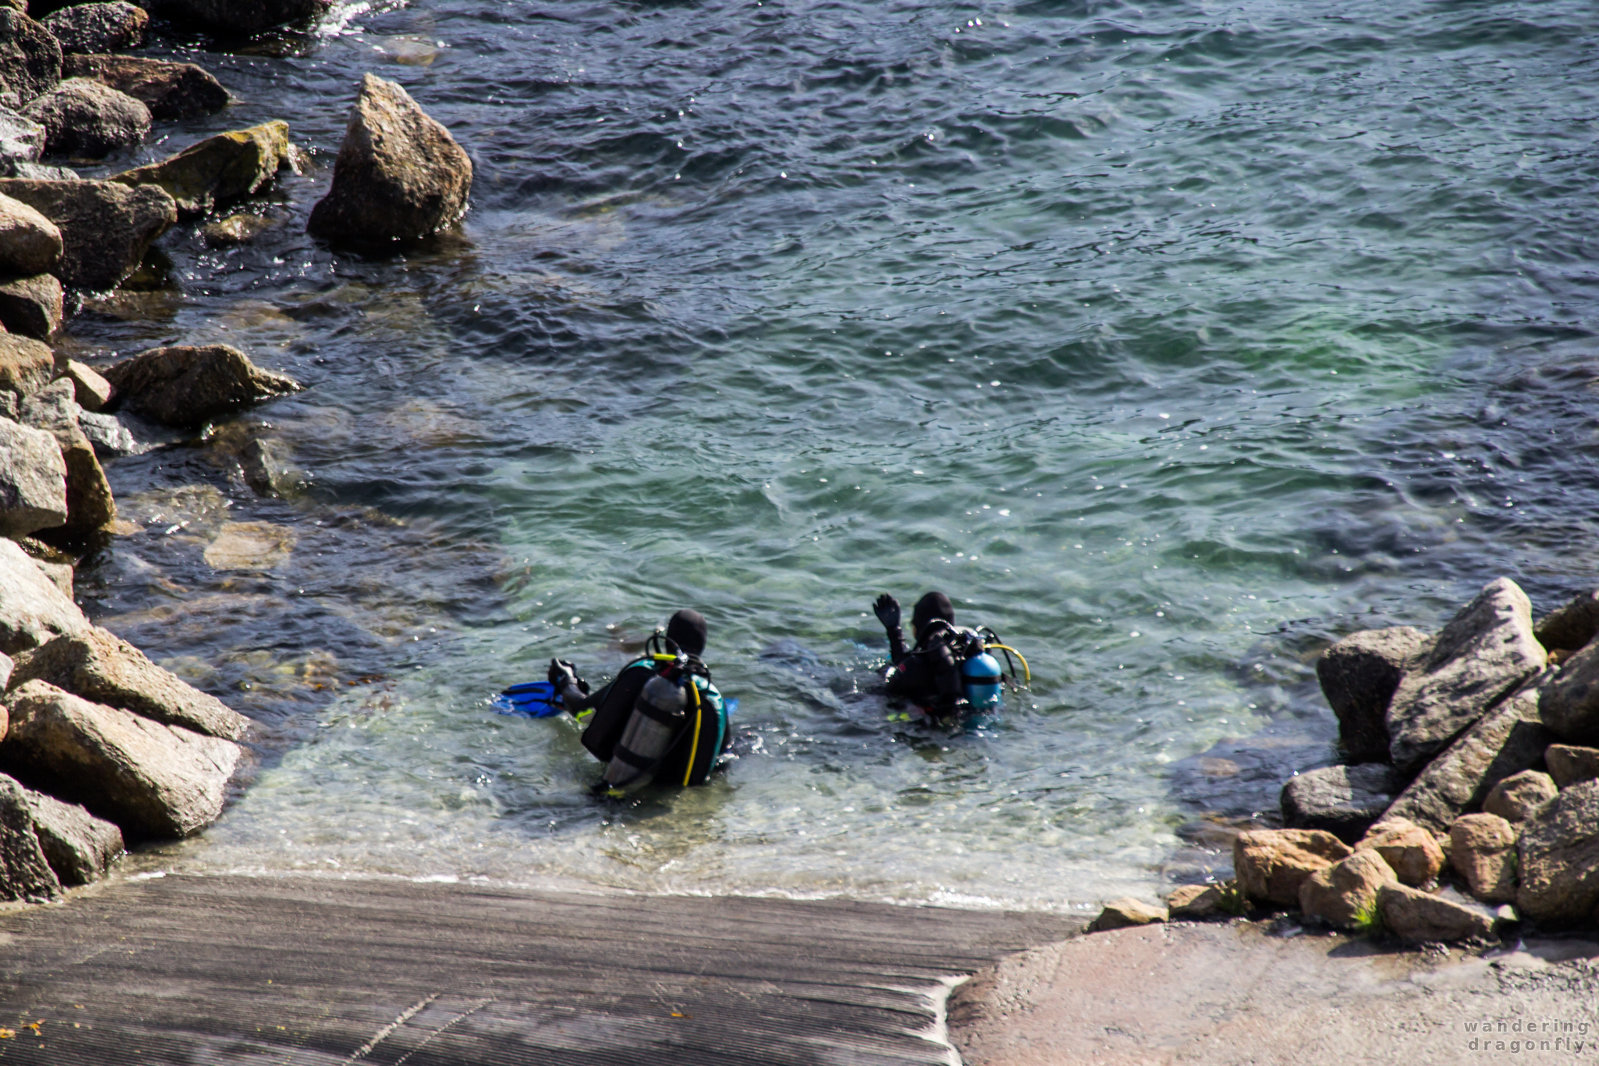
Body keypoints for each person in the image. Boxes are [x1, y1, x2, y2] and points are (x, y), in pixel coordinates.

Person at [547, 609, 731, 795]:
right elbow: (720, 760)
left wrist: (566, 681)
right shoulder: (712, 696)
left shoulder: (641, 672)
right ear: (702, 647)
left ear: (668, 638)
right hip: (667, 798)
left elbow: (583, 713)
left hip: (618, 783)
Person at [872, 590, 968, 716]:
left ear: (919, 626)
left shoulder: (919, 665)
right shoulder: (964, 650)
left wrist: (893, 630)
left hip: (932, 730)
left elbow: (894, 682)